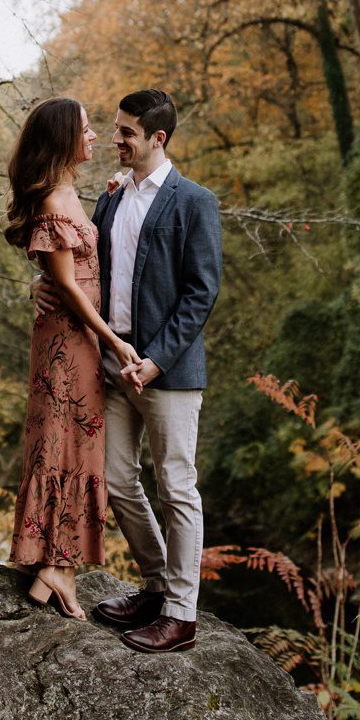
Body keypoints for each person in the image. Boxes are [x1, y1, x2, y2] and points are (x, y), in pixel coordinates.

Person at [87, 88, 222, 654]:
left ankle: (181, 615)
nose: (115, 139)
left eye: (126, 132)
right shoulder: (111, 198)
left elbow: (201, 291)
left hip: (168, 372)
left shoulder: (195, 201)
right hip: (115, 365)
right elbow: (87, 269)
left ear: (156, 139)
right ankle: (156, 586)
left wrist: (157, 359)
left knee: (176, 487)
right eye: (116, 130)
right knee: (119, 482)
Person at [4, 97, 146, 619]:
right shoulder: (52, 201)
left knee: (73, 442)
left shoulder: (69, 195)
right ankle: (55, 565)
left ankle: (53, 563)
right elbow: (65, 282)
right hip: (70, 338)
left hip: (75, 332)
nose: (94, 138)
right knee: (63, 441)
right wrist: (114, 340)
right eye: (86, 130)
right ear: (65, 137)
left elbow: (67, 270)